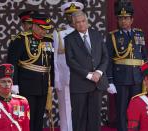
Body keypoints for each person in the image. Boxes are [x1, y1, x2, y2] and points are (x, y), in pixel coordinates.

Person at [7, 13, 54, 131]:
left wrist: (52, 83)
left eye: (46, 29)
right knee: (27, 117)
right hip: (26, 85)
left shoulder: (49, 40)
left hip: (43, 85)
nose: (44, 32)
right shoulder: (22, 39)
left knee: (39, 117)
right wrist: (14, 83)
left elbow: (51, 64)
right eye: (42, 29)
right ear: (34, 26)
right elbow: (12, 62)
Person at [106, 1, 148, 131]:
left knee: (136, 109)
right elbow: (108, 60)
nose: (123, 21)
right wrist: (110, 81)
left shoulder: (139, 34)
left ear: (132, 19)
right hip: (121, 79)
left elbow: (144, 56)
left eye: (126, 18)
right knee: (122, 110)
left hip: (137, 78)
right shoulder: (113, 36)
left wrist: (145, 76)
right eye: (120, 18)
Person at [65, 10, 109, 131]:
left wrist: (98, 73)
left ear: (87, 21)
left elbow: (105, 56)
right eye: (77, 22)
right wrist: (89, 75)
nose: (81, 24)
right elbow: (71, 61)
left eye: (83, 21)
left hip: (97, 83)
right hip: (80, 84)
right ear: (73, 24)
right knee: (79, 118)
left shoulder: (96, 35)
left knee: (95, 119)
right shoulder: (69, 39)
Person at [53, 2, 84, 131]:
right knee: (65, 108)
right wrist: (57, 79)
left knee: (82, 107)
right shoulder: (59, 33)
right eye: (70, 15)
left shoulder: (84, 31)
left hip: (82, 77)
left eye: (75, 15)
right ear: (66, 16)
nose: (73, 18)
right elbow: (54, 58)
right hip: (65, 77)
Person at [0, 64, 30, 131]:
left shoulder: (22, 102)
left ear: (12, 83)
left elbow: (26, 126)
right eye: (3, 82)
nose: (7, 84)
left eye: (9, 81)